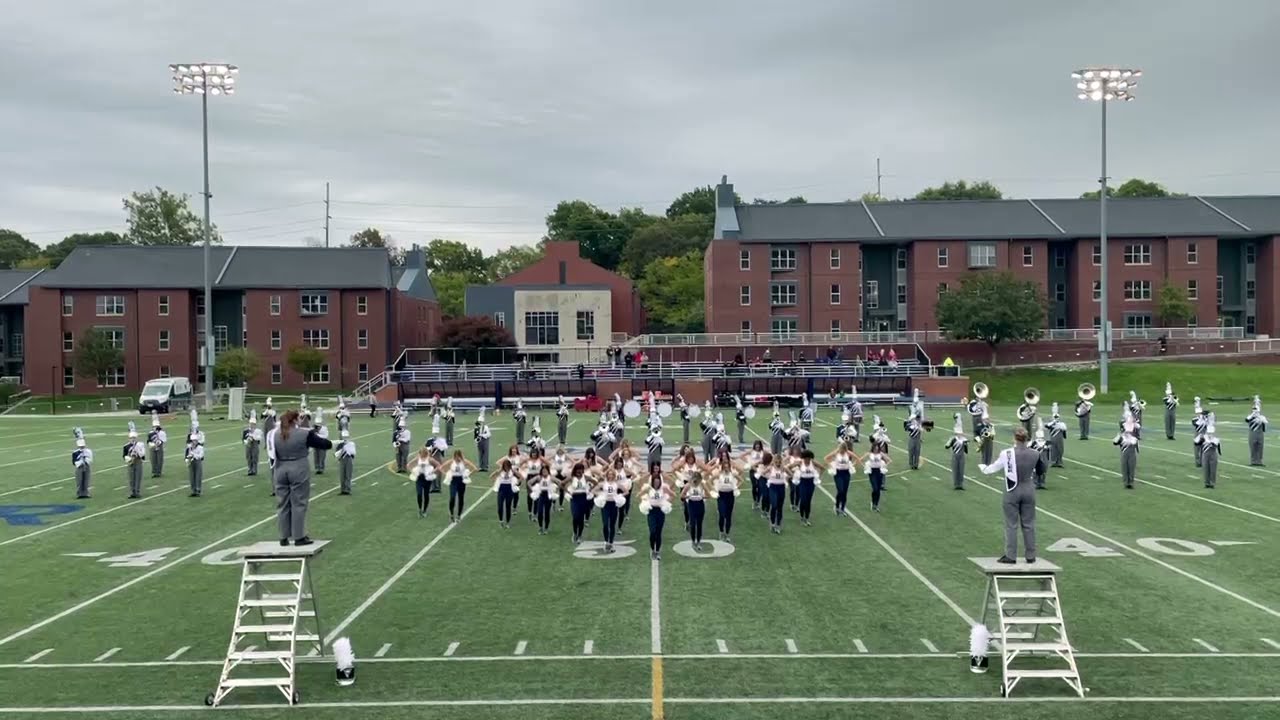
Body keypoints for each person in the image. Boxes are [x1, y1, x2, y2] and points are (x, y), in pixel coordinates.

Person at [977, 427, 1044, 564]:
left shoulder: (1006, 453)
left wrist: (983, 467)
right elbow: (1041, 470)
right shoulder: (1035, 453)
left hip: (1012, 490)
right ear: (1027, 439)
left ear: (1014, 438)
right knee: (1029, 524)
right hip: (1029, 489)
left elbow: (994, 468)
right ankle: (1031, 555)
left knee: (1011, 524)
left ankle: (1011, 555)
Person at [273, 409, 334, 546]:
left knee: (282, 503)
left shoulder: (275, 434)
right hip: (298, 467)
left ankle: (283, 536)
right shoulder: (304, 433)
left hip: (280, 468)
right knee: (299, 502)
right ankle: (299, 536)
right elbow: (324, 444)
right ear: (295, 420)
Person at [641, 466, 674, 560]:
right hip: (651, 511)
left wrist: (667, 503)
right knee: (652, 531)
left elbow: (673, 495)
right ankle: (652, 549)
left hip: (660, 511)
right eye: (655, 482)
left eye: (658, 482)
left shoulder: (663, 488)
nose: (656, 483)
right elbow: (639, 495)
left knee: (658, 532)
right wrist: (645, 501)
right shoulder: (648, 488)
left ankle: (658, 551)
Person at [824, 441, 858, 514]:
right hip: (838, 473)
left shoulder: (848, 453)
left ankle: (842, 508)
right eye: (841, 449)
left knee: (845, 491)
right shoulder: (836, 453)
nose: (842, 450)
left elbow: (857, 458)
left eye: (843, 449)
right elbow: (826, 458)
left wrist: (852, 465)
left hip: (846, 473)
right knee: (840, 490)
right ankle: (836, 506)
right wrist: (831, 465)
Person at [791, 449, 822, 526]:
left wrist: (818, 477)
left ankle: (807, 518)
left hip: (811, 483)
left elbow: (822, 468)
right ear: (803, 458)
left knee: (808, 501)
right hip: (802, 482)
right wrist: (793, 476)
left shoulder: (813, 463)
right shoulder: (800, 463)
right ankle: (802, 517)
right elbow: (788, 467)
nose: (807, 460)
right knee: (803, 500)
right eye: (806, 458)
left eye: (809, 458)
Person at [492, 458, 521, 529]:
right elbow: (492, 476)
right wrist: (496, 481)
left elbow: (520, 477)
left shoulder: (512, 471)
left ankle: (508, 522)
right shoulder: (500, 471)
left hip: (509, 490)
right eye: (505, 466)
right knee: (500, 506)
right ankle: (501, 521)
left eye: (507, 466)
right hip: (501, 489)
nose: (506, 467)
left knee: (508, 507)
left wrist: (516, 483)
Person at [529, 465, 558, 535]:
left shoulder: (551, 478)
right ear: (541, 471)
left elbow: (559, 482)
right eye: (543, 471)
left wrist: (555, 491)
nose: (544, 472)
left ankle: (546, 528)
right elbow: (529, 482)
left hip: (548, 497)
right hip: (541, 496)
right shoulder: (539, 477)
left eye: (546, 471)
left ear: (548, 471)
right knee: (540, 512)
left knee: (547, 513)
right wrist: (533, 490)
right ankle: (540, 527)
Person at [1115, 412, 1141, 489]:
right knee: (1125, 467)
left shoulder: (1134, 431)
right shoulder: (1122, 433)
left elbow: (1138, 426)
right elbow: (1115, 442)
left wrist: (1133, 421)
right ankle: (1126, 482)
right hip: (1124, 451)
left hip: (1132, 451)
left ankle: (1131, 482)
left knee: (1131, 467)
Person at [409, 447, 437, 518]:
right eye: (420, 454)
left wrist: (432, 471)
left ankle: (424, 510)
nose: (421, 455)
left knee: (426, 494)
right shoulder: (418, 458)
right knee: (419, 494)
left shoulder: (430, 459)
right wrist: (413, 472)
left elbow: (438, 465)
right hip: (419, 478)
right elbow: (408, 465)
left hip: (427, 478)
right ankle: (419, 509)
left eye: (422, 454)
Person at [122, 421, 147, 499]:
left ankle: (137, 492)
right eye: (131, 438)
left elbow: (143, 454)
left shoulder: (140, 444)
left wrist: (137, 451)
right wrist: (129, 459)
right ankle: (132, 492)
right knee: (131, 478)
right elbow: (124, 455)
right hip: (130, 463)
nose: (132, 439)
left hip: (138, 461)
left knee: (138, 477)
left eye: (134, 438)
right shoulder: (126, 446)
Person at [943, 414, 968, 490]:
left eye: (961, 433)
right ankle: (956, 484)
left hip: (961, 456)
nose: (960, 434)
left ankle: (960, 484)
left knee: (961, 470)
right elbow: (946, 447)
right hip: (955, 455)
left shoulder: (964, 439)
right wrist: (949, 441)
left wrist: (966, 444)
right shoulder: (953, 439)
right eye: (959, 433)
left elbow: (966, 451)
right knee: (955, 470)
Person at [1199, 413, 1222, 489]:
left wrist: (1209, 439)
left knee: (1213, 469)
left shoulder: (1215, 439)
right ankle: (1206, 482)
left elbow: (1216, 444)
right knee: (1206, 468)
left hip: (1213, 454)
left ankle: (1212, 483)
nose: (1210, 434)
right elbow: (1197, 443)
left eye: (1211, 433)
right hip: (1205, 454)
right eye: (1209, 433)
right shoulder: (1204, 437)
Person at [72, 427, 93, 499]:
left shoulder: (88, 451)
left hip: (86, 466)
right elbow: (74, 462)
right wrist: (80, 462)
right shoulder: (75, 452)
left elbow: (90, 459)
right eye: (80, 446)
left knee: (86, 479)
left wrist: (86, 460)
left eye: (82, 446)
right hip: (79, 467)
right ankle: (79, 493)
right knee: (79, 480)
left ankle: (86, 493)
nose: (82, 447)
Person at [1247, 395, 1268, 467]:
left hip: (1260, 434)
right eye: (1254, 409)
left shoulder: (1262, 417)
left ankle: (1259, 461)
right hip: (1252, 433)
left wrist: (1259, 416)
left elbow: (1265, 422)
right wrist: (1253, 414)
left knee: (1260, 448)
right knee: (1253, 447)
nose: (1255, 411)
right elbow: (1247, 420)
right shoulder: (1250, 417)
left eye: (1256, 409)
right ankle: (1253, 461)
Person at [335, 429, 357, 495]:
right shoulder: (340, 444)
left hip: (348, 459)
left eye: (346, 437)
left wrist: (347, 450)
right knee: (342, 475)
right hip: (342, 460)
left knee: (348, 475)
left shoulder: (351, 444)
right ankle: (342, 489)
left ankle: (347, 489)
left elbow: (353, 453)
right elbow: (336, 454)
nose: (345, 438)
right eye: (344, 437)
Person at [185, 429, 205, 497]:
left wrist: (193, 455)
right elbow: (187, 455)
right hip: (191, 462)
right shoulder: (189, 448)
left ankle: (198, 490)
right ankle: (193, 490)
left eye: (195, 441)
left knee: (198, 476)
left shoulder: (200, 447)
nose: (194, 442)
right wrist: (187, 459)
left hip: (197, 462)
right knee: (192, 476)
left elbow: (201, 456)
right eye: (193, 441)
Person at [147, 411, 166, 478]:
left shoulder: (162, 433)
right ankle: (154, 472)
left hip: (159, 447)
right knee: (153, 460)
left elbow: (163, 440)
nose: (154, 428)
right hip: (152, 447)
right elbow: (148, 440)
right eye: (154, 427)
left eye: (156, 427)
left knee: (159, 460)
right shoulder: (150, 433)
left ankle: (159, 472)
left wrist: (158, 443)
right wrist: (151, 444)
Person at [244, 410, 263, 476]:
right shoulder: (246, 430)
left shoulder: (258, 431)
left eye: (253, 424)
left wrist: (253, 436)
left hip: (255, 445)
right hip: (248, 445)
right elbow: (243, 438)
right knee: (249, 458)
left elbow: (259, 438)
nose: (251, 425)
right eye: (250, 424)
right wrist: (247, 441)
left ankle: (254, 470)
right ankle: (250, 469)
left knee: (254, 457)